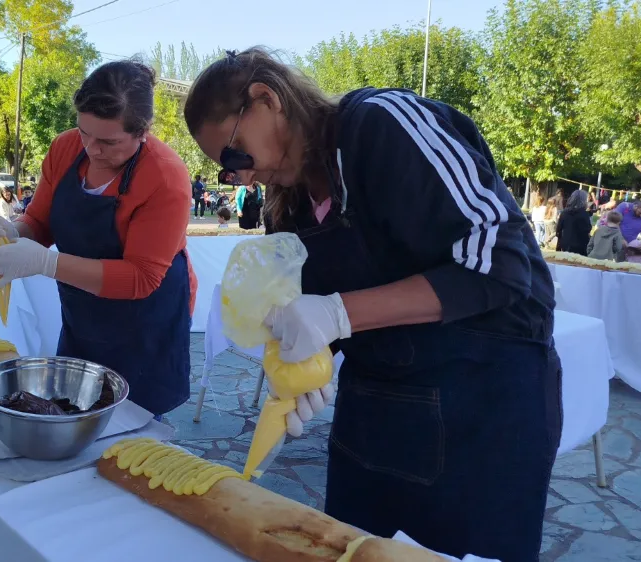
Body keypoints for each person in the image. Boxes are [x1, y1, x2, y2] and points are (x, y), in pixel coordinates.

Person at [184, 48, 559, 562]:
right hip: (377, 402)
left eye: (234, 155)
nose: (240, 178)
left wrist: (338, 312)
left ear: (266, 100)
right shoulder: (287, 209)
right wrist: (304, 370)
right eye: (227, 172)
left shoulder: (381, 126)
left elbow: (501, 260)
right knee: (352, 550)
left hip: (482, 399)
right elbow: (318, 318)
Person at [0, 60, 196, 417]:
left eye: (109, 141)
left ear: (143, 133)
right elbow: (41, 222)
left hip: (145, 321)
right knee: (75, 407)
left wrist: (47, 263)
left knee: (135, 425)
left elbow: (141, 276)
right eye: (84, 132)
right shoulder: (65, 148)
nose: (92, 148)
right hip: (85, 312)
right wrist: (12, 233)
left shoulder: (165, 177)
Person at [555, 189, 592, 255]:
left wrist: (559, 243)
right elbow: (588, 229)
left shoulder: (564, 212)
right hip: (581, 244)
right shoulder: (584, 214)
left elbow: (559, 229)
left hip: (566, 242)